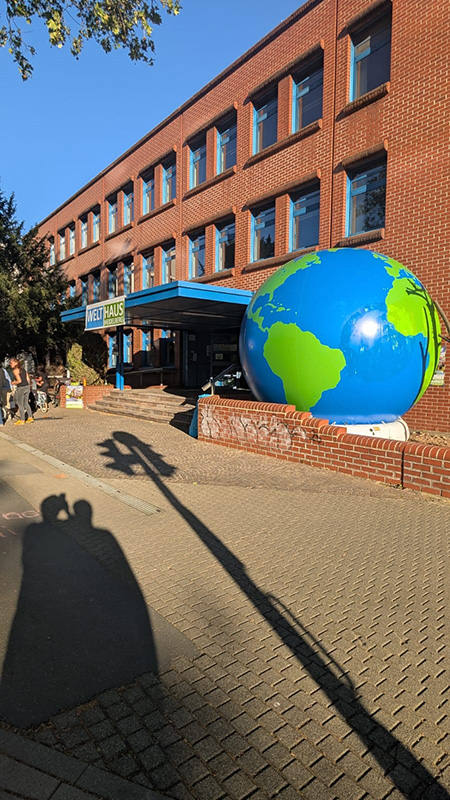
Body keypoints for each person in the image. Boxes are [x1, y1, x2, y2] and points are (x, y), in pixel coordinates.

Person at [9, 357, 33, 425]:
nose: (10, 364)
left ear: (15, 363)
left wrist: (13, 383)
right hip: (27, 387)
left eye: (11, 363)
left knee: (20, 404)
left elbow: (19, 381)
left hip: (21, 388)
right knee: (26, 403)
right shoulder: (23, 369)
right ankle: (30, 417)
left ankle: (22, 420)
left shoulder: (15, 370)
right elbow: (28, 379)